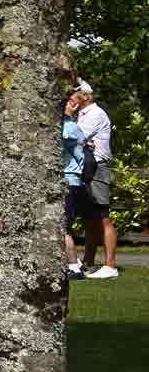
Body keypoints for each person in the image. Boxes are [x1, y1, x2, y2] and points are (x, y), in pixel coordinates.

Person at [68, 81, 120, 279]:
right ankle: (89, 262)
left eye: (75, 93)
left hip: (97, 167)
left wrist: (73, 127)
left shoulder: (95, 114)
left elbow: (75, 137)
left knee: (102, 216)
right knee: (90, 218)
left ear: (86, 96)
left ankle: (110, 265)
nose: (72, 97)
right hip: (87, 168)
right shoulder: (82, 115)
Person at [61, 94, 88, 274]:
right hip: (74, 182)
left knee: (61, 227)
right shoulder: (74, 127)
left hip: (69, 180)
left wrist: (66, 115)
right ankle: (77, 263)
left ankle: (73, 267)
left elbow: (63, 136)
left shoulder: (70, 127)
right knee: (65, 226)